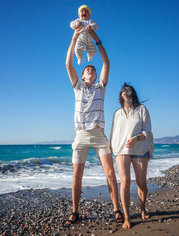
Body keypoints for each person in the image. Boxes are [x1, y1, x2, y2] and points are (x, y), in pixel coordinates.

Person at [65, 19, 123, 225]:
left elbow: (107, 63)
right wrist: (74, 37)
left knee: (109, 172)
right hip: (80, 135)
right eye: (87, 69)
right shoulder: (77, 87)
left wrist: (97, 39)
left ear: (96, 75)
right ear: (82, 76)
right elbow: (68, 63)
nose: (90, 69)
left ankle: (117, 209)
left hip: (99, 135)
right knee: (76, 175)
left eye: (92, 69)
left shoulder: (101, 87)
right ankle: (75, 211)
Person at [110, 83, 154, 229]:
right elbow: (113, 133)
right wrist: (112, 148)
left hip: (140, 149)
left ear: (132, 93)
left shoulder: (142, 109)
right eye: (123, 89)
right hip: (121, 150)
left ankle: (142, 209)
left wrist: (136, 138)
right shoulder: (117, 113)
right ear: (121, 95)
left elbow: (148, 131)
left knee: (141, 183)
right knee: (125, 182)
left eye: (128, 89)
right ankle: (127, 218)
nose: (125, 91)